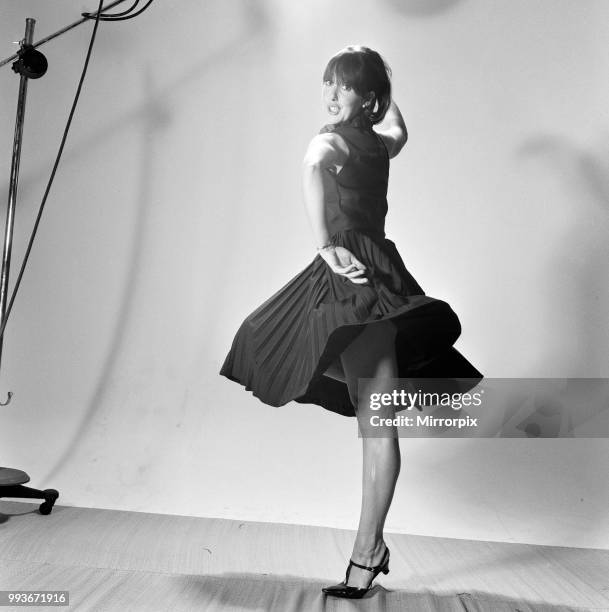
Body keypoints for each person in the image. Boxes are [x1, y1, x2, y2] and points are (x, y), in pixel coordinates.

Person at [220, 45, 482, 599]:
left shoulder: (332, 141)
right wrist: (378, 80)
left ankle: (367, 554)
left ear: (365, 99)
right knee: (369, 411)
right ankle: (370, 550)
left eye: (342, 87)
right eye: (328, 85)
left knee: (370, 419)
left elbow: (313, 163)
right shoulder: (378, 144)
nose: (330, 96)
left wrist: (323, 247)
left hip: (353, 274)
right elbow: (399, 129)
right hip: (379, 265)